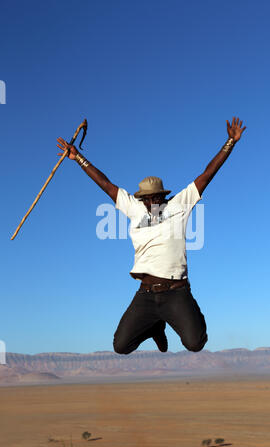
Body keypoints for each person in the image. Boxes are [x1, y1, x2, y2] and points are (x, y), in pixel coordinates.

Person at [57, 117, 246, 354]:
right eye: (146, 199)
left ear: (162, 196)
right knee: (121, 346)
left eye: (155, 198)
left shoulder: (179, 205)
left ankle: (187, 316)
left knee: (195, 343)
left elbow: (207, 174)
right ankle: (155, 327)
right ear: (142, 199)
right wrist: (78, 158)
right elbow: (105, 184)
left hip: (176, 292)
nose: (151, 202)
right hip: (145, 294)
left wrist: (230, 142)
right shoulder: (134, 209)